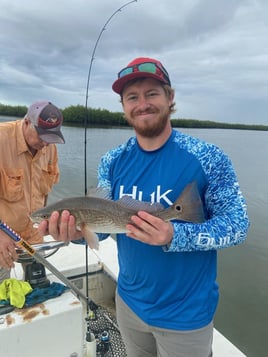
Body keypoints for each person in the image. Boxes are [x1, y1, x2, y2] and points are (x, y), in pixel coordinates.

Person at [39, 57, 250, 357]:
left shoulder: (207, 157)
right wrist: (72, 232)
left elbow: (237, 225)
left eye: (152, 93)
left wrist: (174, 236)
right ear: (123, 105)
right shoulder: (112, 161)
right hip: (129, 304)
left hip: (185, 315)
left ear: (170, 97)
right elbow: (102, 229)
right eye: (132, 97)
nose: (142, 104)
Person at [0, 101, 65, 282]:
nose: (46, 142)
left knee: (38, 284)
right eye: (42, 135)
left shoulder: (49, 147)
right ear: (27, 122)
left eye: (52, 137)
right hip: (3, 234)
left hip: (34, 234)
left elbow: (45, 191)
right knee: (3, 293)